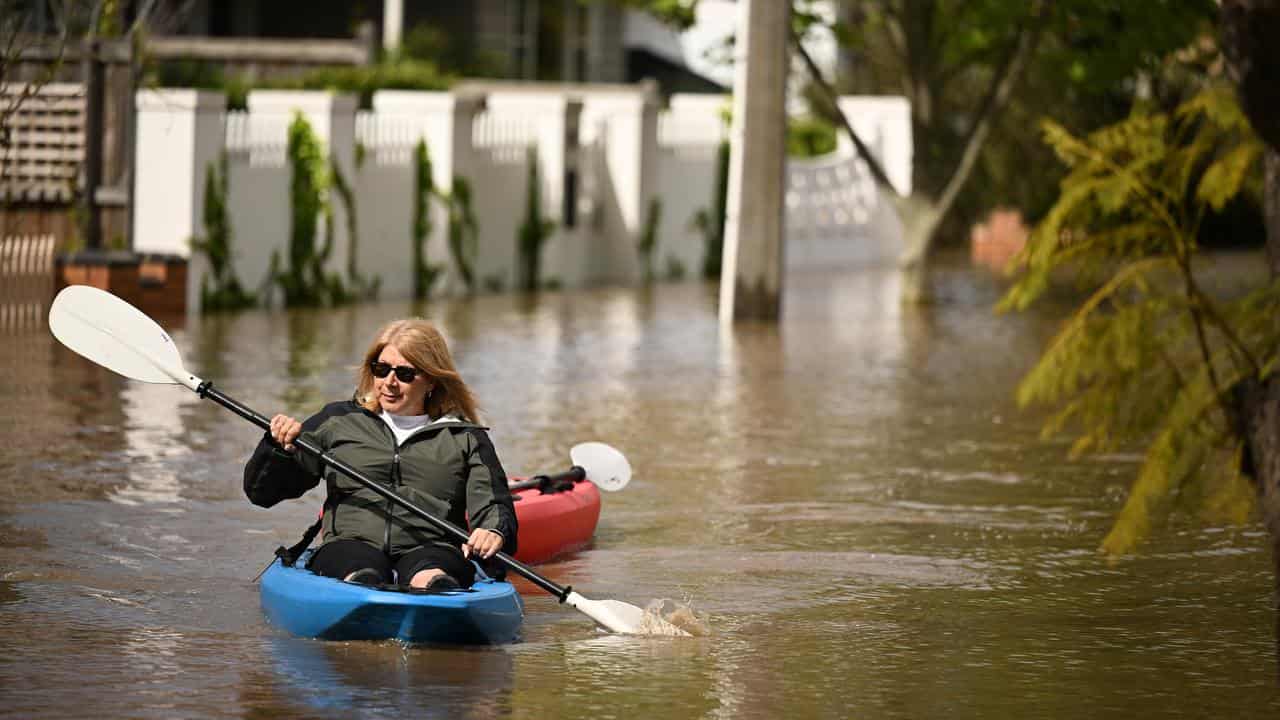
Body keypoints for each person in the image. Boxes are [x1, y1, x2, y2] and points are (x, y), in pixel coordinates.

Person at [243, 318, 517, 591]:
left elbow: (493, 505)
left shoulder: (465, 437)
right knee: (364, 574)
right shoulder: (337, 421)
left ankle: (431, 603)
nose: (389, 382)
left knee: (432, 579)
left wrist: (493, 531)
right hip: (350, 546)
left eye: (405, 374)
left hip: (433, 549)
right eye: (381, 369)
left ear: (432, 379)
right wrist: (278, 448)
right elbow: (262, 494)